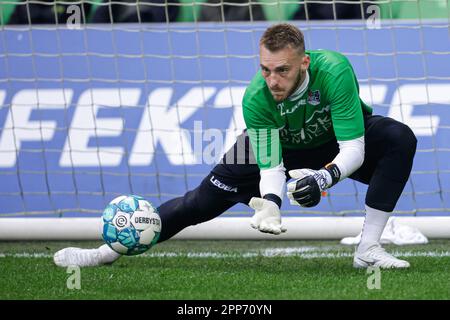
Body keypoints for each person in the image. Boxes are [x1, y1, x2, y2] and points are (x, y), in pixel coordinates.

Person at [54, 23, 417, 269]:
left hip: (334, 143)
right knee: (198, 203)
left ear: (304, 63)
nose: (272, 80)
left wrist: (324, 179)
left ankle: (368, 249)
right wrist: (271, 205)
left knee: (399, 139)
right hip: (284, 146)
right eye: (265, 69)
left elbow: (353, 148)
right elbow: (272, 166)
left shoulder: (335, 72)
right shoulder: (256, 98)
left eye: (283, 71)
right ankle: (104, 254)